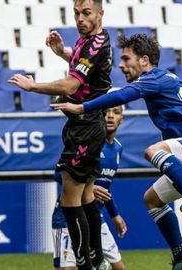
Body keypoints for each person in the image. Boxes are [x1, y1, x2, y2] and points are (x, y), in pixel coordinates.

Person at [51, 33, 182, 270]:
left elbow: (123, 95)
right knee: (152, 200)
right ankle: (180, 255)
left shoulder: (153, 79)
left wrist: (82, 106)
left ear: (144, 60)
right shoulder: (172, 81)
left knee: (152, 150)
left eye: (126, 59)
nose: (121, 65)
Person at [9, 1, 111, 269]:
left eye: (86, 13)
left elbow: (72, 83)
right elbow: (87, 68)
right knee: (87, 196)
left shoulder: (93, 44)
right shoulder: (91, 40)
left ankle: (85, 265)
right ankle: (97, 261)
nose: (80, 18)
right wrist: (62, 53)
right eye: (76, 13)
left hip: (85, 128)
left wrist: (32, 86)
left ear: (100, 13)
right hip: (89, 125)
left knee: (70, 200)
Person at [52, 105, 127, 270]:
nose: (110, 116)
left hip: (95, 218)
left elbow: (105, 186)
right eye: (106, 112)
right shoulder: (87, 141)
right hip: (67, 217)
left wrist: (114, 215)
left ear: (122, 119)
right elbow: (58, 174)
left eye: (116, 112)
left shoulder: (118, 148)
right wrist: (89, 188)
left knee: (119, 267)